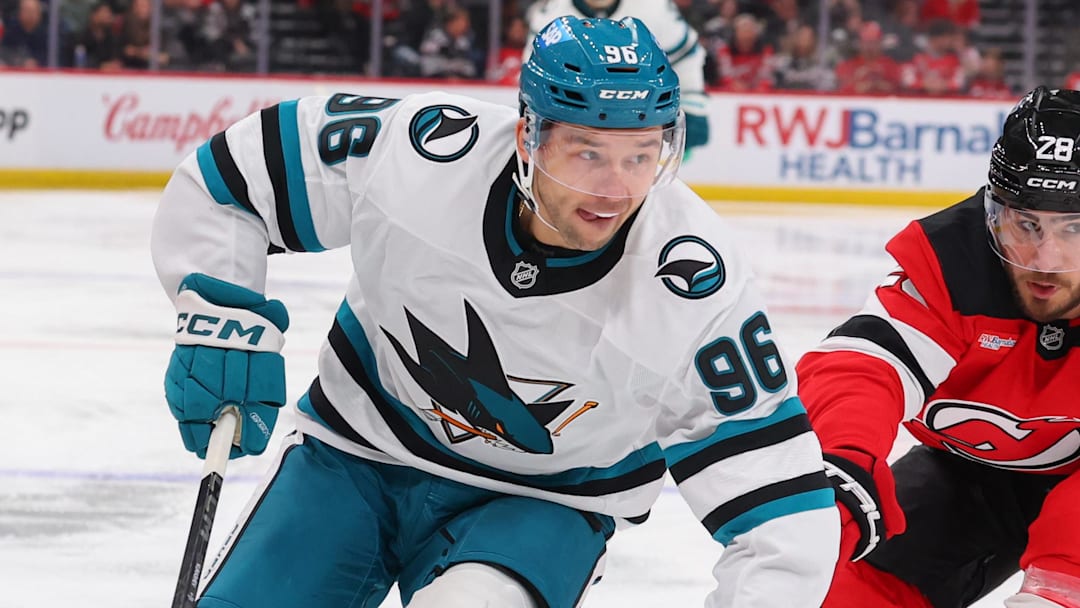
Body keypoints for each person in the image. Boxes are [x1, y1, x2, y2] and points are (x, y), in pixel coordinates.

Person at [151, 15, 839, 608]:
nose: (616, 188)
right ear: (528, 138)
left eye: (641, 155)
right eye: (588, 151)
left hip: (547, 504)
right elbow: (232, 180)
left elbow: (784, 516)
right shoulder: (418, 154)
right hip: (355, 452)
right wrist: (221, 320)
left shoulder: (692, 284)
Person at [796, 86, 1080, 608]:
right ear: (993, 212)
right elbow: (866, 366)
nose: (1045, 257)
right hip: (969, 475)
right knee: (838, 591)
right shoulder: (953, 261)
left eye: (1075, 228)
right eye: (1026, 223)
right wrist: (842, 459)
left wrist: (1062, 582)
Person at [525, 0, 711, 154]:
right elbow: (532, 78)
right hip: (578, 126)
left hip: (641, 123)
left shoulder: (653, 7)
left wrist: (692, 107)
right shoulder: (550, 14)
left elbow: (687, 55)